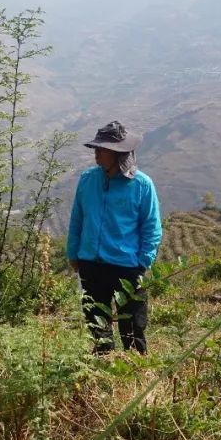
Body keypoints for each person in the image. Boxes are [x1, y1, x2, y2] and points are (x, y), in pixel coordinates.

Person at [67, 121, 162, 354]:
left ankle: (135, 373)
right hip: (92, 264)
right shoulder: (88, 179)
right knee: (97, 325)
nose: (96, 153)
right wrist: (74, 253)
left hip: (126, 267)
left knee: (132, 328)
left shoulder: (141, 185)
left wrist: (143, 262)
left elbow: (151, 228)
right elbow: (78, 218)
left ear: (118, 153)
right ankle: (102, 370)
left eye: (102, 148)